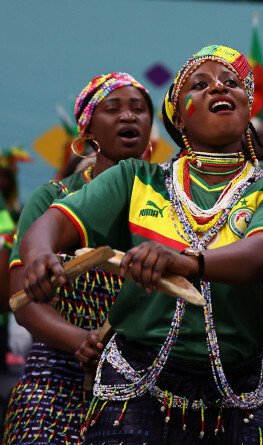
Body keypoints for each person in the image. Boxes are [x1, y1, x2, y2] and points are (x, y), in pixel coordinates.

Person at [17, 44, 263, 445]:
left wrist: (187, 262)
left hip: (236, 397)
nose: (218, 89)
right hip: (134, 390)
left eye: (232, 83)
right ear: (179, 117)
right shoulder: (135, 179)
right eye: (200, 84)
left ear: (247, 105)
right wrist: (39, 256)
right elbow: (52, 223)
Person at [2, 72, 153, 444]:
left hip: (144, 385)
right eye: (112, 108)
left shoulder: (167, 205)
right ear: (88, 133)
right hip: (55, 380)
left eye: (138, 109)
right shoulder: (50, 197)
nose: (128, 116)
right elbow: (23, 301)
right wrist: (81, 341)